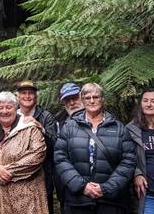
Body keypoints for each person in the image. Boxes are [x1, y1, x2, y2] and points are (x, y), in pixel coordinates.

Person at [54, 83, 136, 214]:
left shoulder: (119, 128)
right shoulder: (69, 127)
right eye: (87, 97)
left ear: (102, 99)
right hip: (78, 201)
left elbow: (128, 161)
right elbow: (60, 158)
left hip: (110, 201)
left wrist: (106, 188)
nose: (92, 101)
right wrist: (82, 186)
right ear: (83, 100)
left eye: (96, 97)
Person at [0, 91, 47, 214]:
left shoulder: (30, 127)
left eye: (8, 107)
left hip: (25, 199)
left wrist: (7, 171)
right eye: (0, 107)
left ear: (16, 108)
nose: (4, 111)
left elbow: (38, 154)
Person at [16, 80, 58, 214]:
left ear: (36, 96)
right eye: (23, 93)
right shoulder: (11, 115)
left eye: (31, 93)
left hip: (42, 175)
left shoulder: (46, 116)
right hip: (17, 177)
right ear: (18, 96)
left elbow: (55, 145)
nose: (27, 96)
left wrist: (41, 129)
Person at [52, 82, 83, 211]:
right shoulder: (58, 121)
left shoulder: (99, 118)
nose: (72, 103)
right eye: (67, 100)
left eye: (75, 98)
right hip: (66, 182)